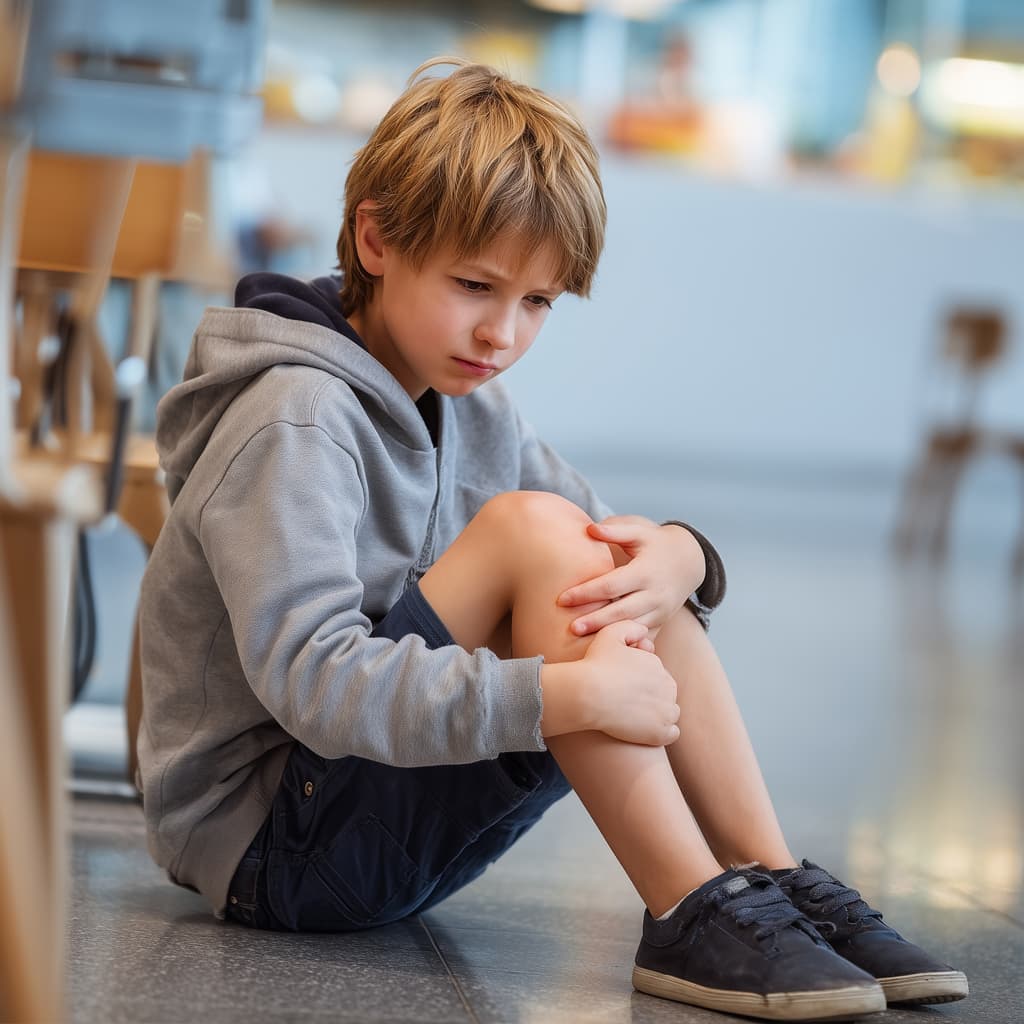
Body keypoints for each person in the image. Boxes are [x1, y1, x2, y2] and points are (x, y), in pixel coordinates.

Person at [137, 58, 968, 1021]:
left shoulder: (472, 406)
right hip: (273, 848)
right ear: (374, 238)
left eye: (537, 302)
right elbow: (315, 682)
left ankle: (764, 876)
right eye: (474, 285)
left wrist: (681, 556)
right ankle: (689, 911)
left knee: (610, 560)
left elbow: (599, 545)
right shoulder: (296, 416)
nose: (501, 333)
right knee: (528, 530)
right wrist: (560, 693)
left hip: (363, 818)